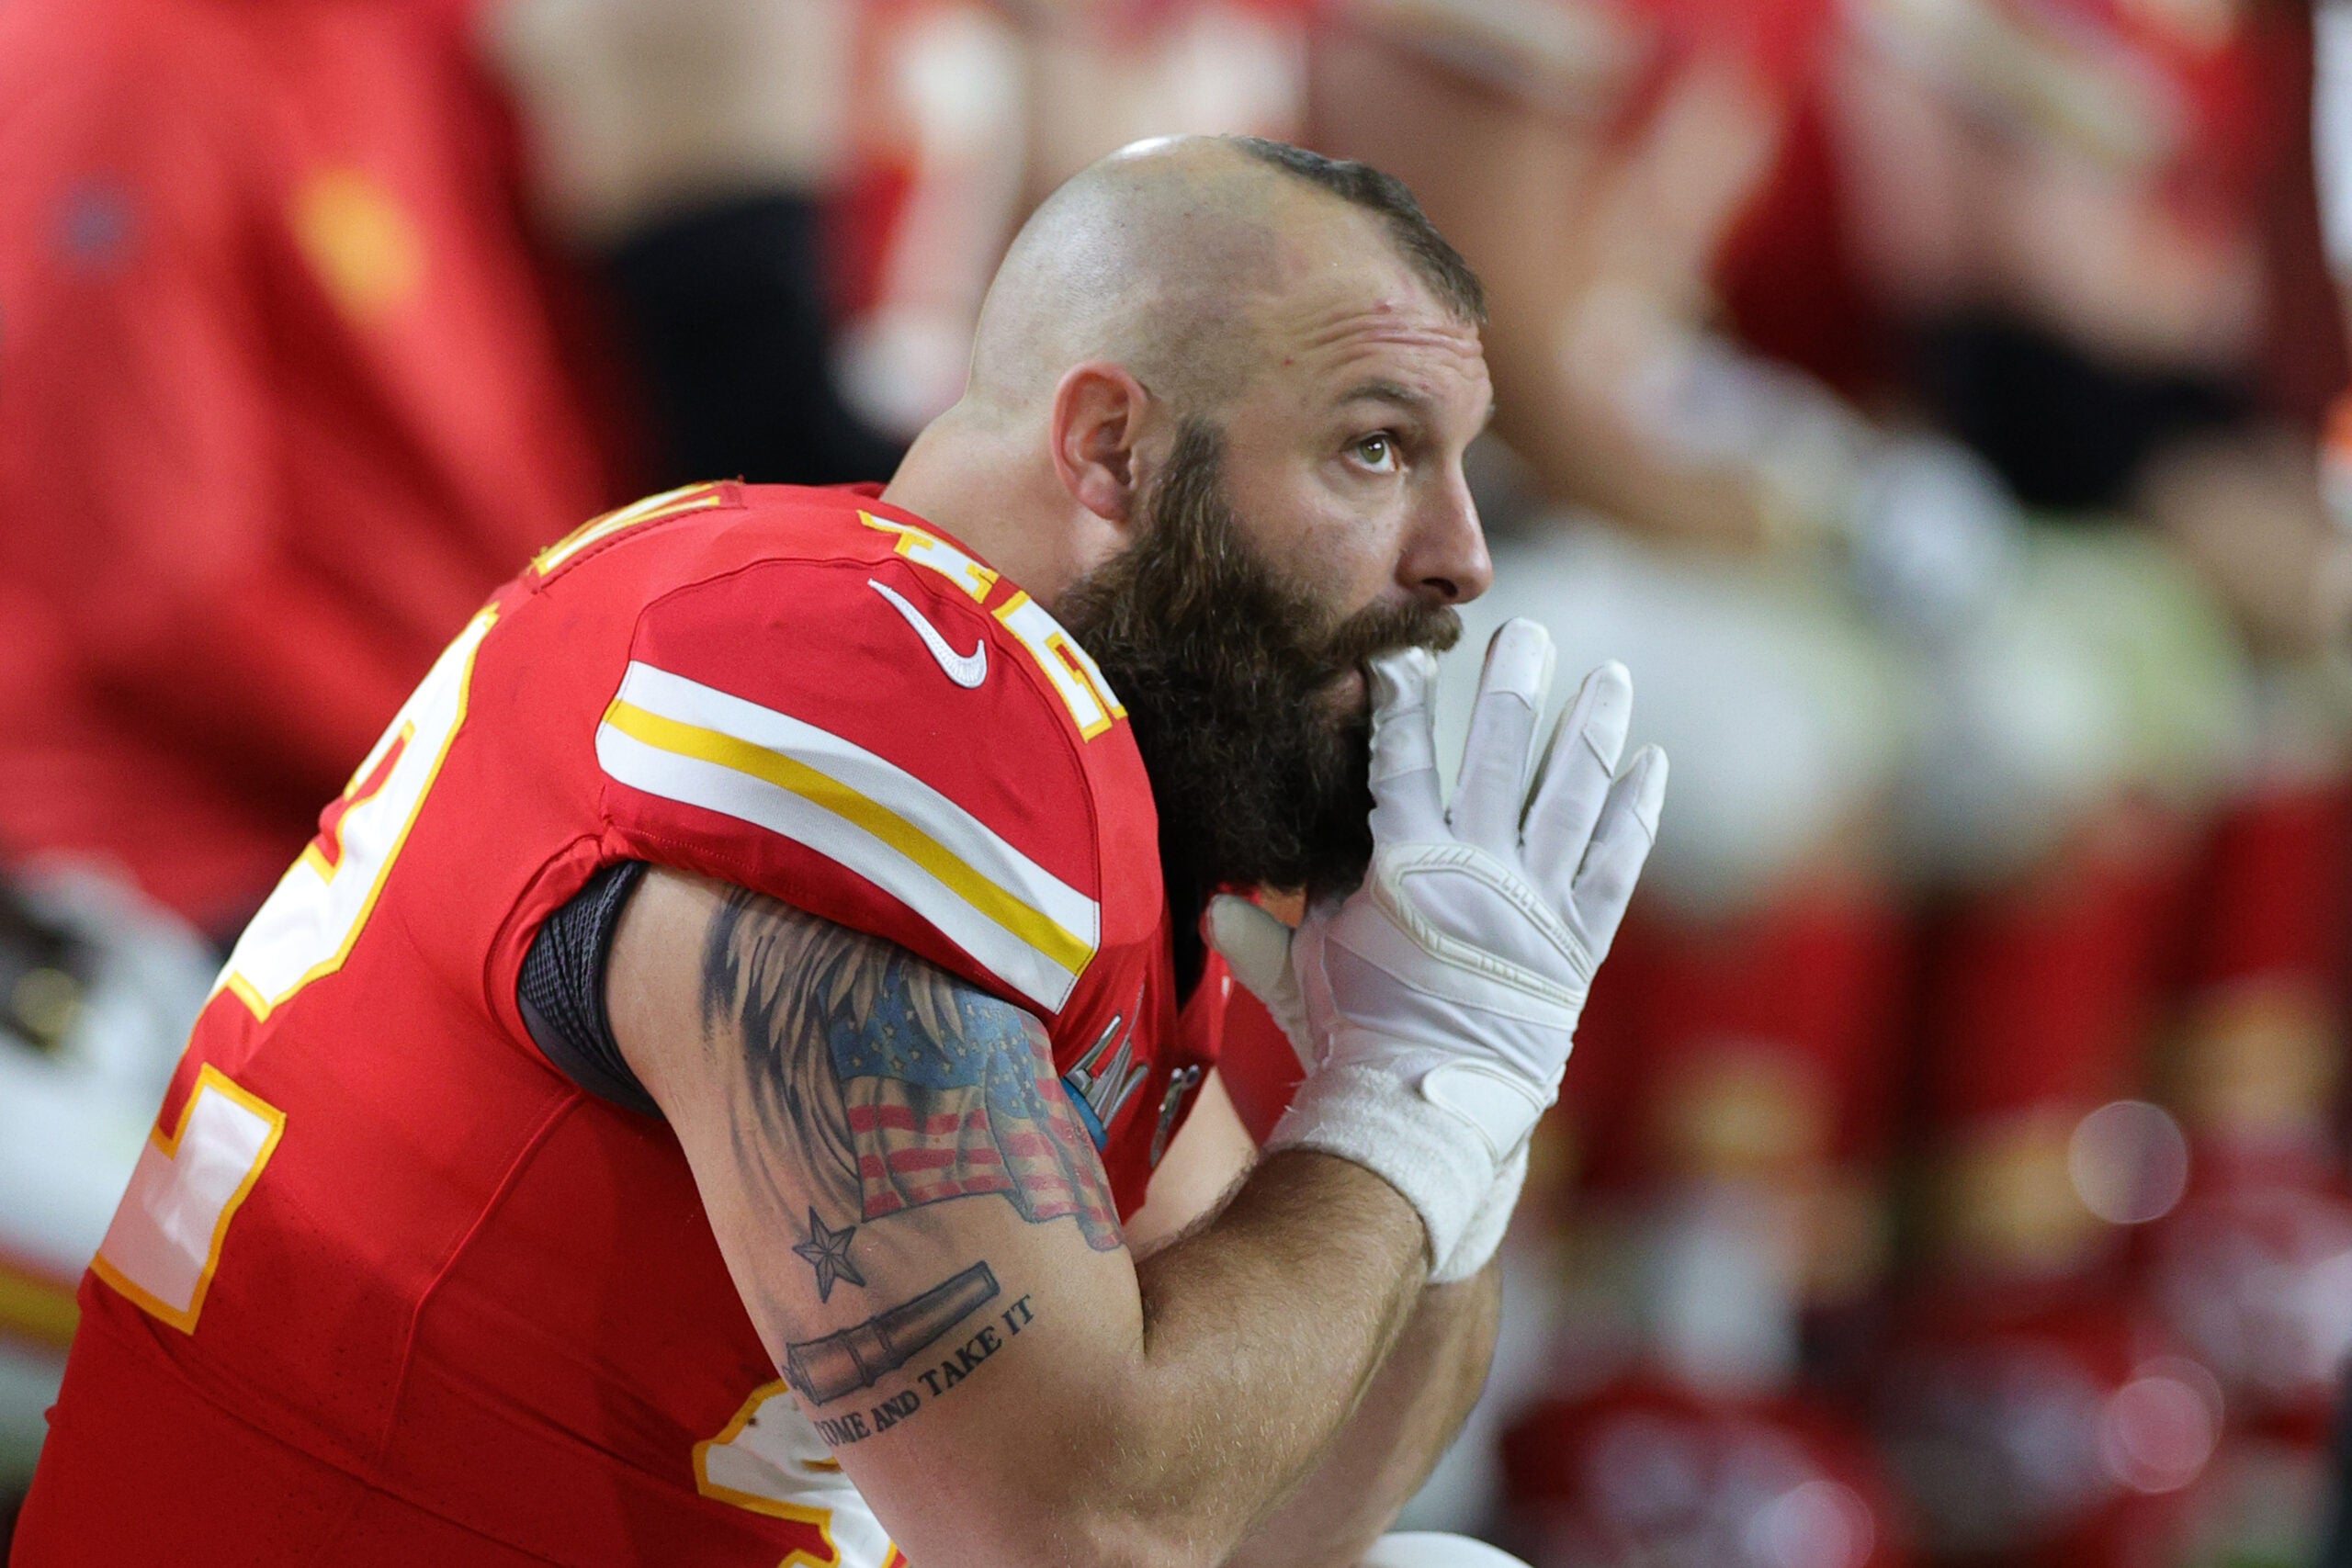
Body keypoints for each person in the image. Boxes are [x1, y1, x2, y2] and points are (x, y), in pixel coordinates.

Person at [11, 135, 1667, 1565]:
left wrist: (1440, 1105)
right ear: (1112, 451)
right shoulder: (884, 686)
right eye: (1376, 448)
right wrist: (1416, 1094)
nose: (1459, 556)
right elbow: (1081, 1526)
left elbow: (1270, 1509)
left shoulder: (1094, 788)